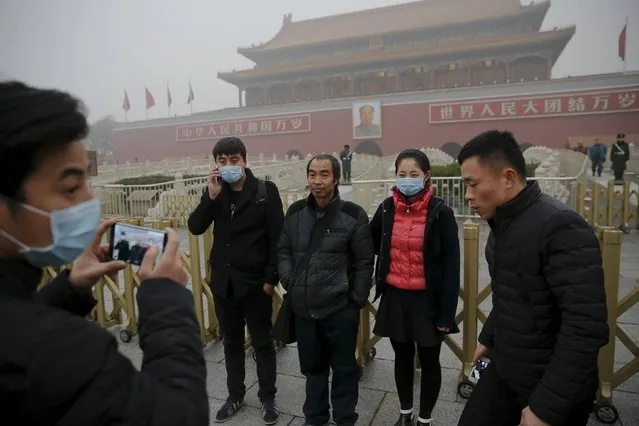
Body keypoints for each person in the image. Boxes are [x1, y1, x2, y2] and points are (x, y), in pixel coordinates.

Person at [0, 81, 208, 425]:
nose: (90, 201)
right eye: (70, 187)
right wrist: (166, 300)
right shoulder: (66, 353)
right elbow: (181, 415)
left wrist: (70, 289)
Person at [456, 130, 608, 426]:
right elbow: (514, 292)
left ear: (508, 178)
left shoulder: (560, 226)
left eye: (473, 184)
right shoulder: (501, 224)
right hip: (508, 366)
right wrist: (489, 337)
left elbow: (585, 327)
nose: (468, 195)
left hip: (551, 383)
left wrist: (546, 408)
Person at [187, 136, 284, 424]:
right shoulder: (217, 192)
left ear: (244, 160)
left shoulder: (266, 191)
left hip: (255, 285)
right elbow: (194, 227)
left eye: (233, 160)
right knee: (231, 343)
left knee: (263, 343)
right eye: (222, 161)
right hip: (224, 285)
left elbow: (277, 238)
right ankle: (235, 394)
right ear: (215, 164)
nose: (228, 165)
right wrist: (210, 196)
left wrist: (270, 279)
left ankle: (268, 398)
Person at [277, 154, 374, 426]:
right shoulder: (295, 212)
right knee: (313, 369)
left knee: (344, 369)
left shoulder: (353, 215)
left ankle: (345, 418)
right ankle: (315, 418)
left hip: (339, 308)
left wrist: (355, 299)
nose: (317, 181)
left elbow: (365, 262)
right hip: (305, 308)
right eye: (312, 174)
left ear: (336, 179)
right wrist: (288, 280)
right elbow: (283, 249)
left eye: (324, 175)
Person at [370, 149, 460, 426]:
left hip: (427, 300)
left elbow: (451, 266)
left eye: (414, 175)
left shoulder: (440, 212)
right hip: (396, 295)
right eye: (402, 175)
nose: (407, 180)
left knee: (431, 360)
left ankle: (425, 418)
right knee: (402, 357)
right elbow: (368, 242)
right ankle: (405, 412)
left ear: (426, 176)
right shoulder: (386, 207)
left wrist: (446, 315)